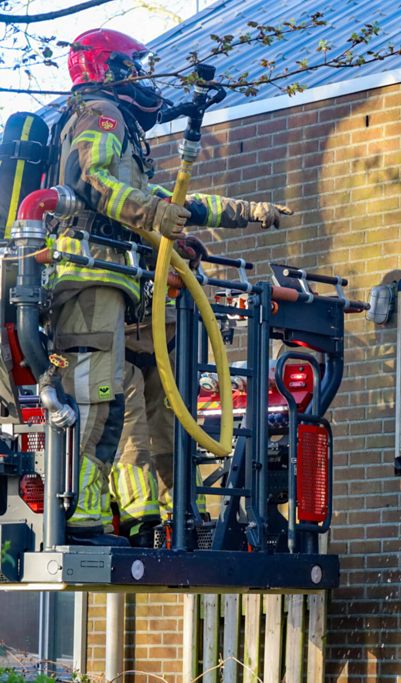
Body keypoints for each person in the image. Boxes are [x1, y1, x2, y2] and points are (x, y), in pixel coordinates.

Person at [51, 28, 293, 545]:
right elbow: (90, 179)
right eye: (133, 66)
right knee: (100, 399)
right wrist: (154, 214)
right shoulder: (99, 115)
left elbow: (174, 199)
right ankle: (84, 517)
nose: (142, 77)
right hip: (89, 276)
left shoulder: (120, 128)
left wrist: (253, 213)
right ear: (107, 69)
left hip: (117, 279)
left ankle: (165, 514)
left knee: (151, 400)